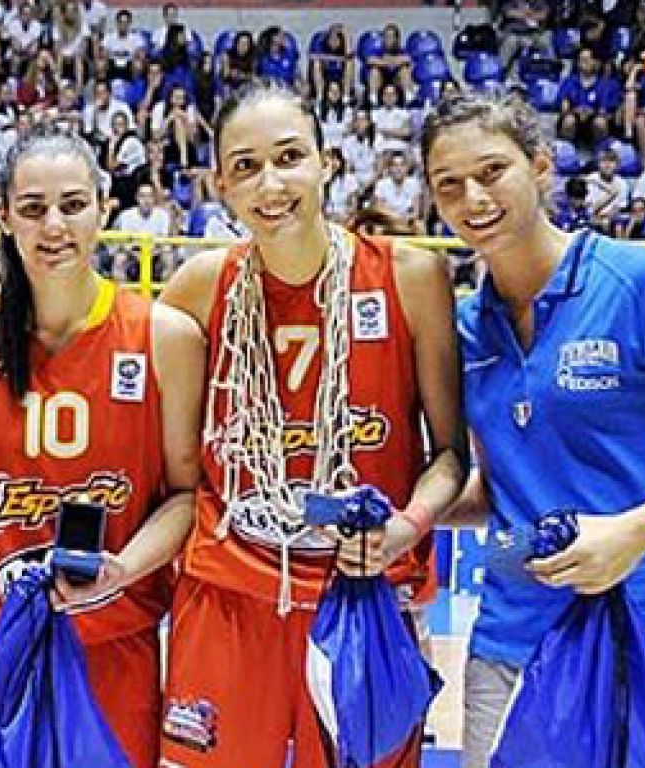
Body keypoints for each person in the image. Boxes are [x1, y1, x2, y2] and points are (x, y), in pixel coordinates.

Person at [421, 92, 645, 768]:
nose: (472, 197)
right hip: (513, 647)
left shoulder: (644, 283)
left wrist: (631, 534)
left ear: (539, 167)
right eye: (449, 185)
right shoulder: (464, 330)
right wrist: (405, 513)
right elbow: (499, 491)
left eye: (491, 172)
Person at [154, 79, 467, 768]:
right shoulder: (198, 286)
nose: (270, 183)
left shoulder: (412, 277)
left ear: (328, 162)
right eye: (245, 166)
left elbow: (449, 455)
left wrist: (406, 529)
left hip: (363, 592)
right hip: (229, 593)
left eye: (289, 157)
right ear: (219, 185)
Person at [0, 127, 205, 768]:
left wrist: (123, 568)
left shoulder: (164, 336)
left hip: (112, 642)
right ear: (4, 216)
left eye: (73, 205)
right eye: (33, 207)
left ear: (103, 206)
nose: (54, 226)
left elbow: (187, 495)